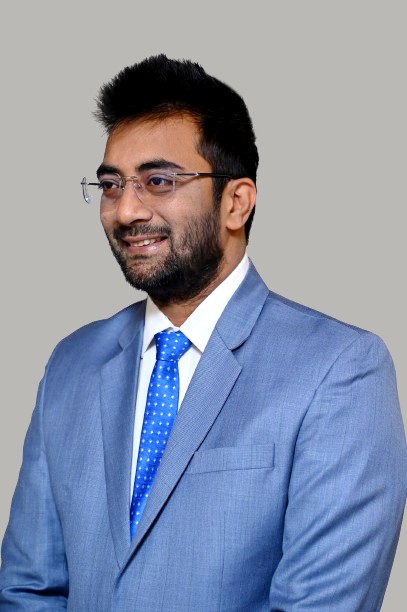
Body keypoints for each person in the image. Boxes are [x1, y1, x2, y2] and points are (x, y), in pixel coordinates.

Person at [0, 54, 405, 611]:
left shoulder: (339, 369)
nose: (126, 210)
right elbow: (28, 589)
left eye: (159, 181)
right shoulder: (72, 364)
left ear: (236, 202)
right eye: (111, 185)